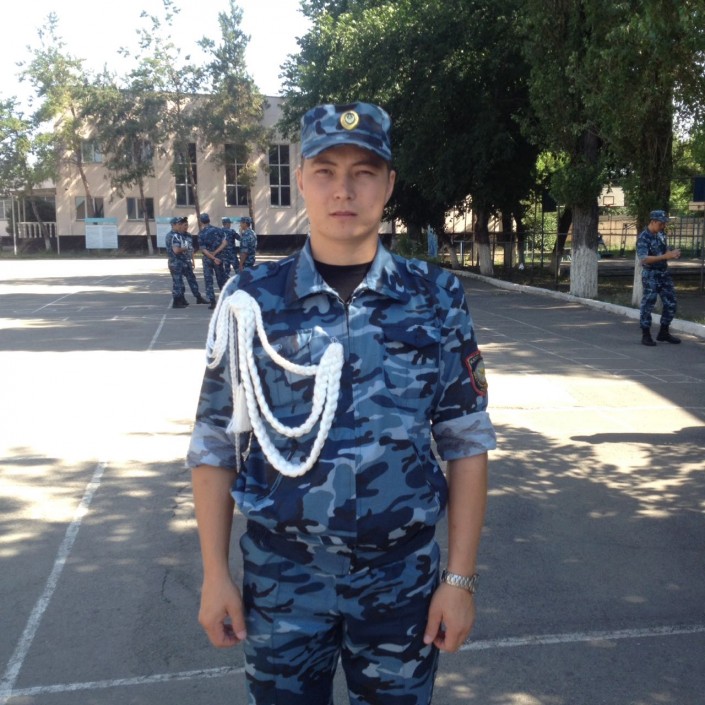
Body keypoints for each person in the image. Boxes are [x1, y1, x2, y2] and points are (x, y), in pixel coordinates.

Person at [188, 102, 496, 705]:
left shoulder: (435, 296)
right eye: (326, 171)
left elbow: (466, 439)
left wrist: (459, 580)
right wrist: (215, 574)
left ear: (389, 184)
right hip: (282, 582)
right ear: (301, 179)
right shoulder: (251, 299)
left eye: (364, 172)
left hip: (401, 582)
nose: (344, 190)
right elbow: (216, 441)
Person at [637, 209, 681, 346]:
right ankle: (646, 334)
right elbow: (644, 259)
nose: (663, 226)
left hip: (663, 273)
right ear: (653, 221)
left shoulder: (661, 234)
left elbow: (664, 250)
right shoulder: (644, 237)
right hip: (650, 274)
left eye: (664, 224)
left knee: (671, 302)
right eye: (661, 223)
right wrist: (665, 256)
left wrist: (671, 254)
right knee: (648, 304)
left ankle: (664, 332)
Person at [172, 217, 209, 306]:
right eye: (184, 225)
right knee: (179, 282)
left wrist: (193, 260)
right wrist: (185, 248)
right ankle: (179, 300)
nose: (186, 227)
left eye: (187, 225)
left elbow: (191, 249)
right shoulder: (176, 236)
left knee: (192, 280)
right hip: (178, 262)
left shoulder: (188, 235)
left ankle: (198, 297)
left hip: (187, 262)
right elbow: (176, 250)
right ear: (180, 226)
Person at [198, 212, 228, 309]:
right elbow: (224, 243)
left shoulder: (201, 233)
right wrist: (215, 253)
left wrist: (212, 257)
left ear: (201, 222)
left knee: (208, 280)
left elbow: (203, 249)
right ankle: (225, 300)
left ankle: (212, 302)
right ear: (209, 220)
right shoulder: (218, 230)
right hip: (218, 257)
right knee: (221, 279)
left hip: (208, 259)